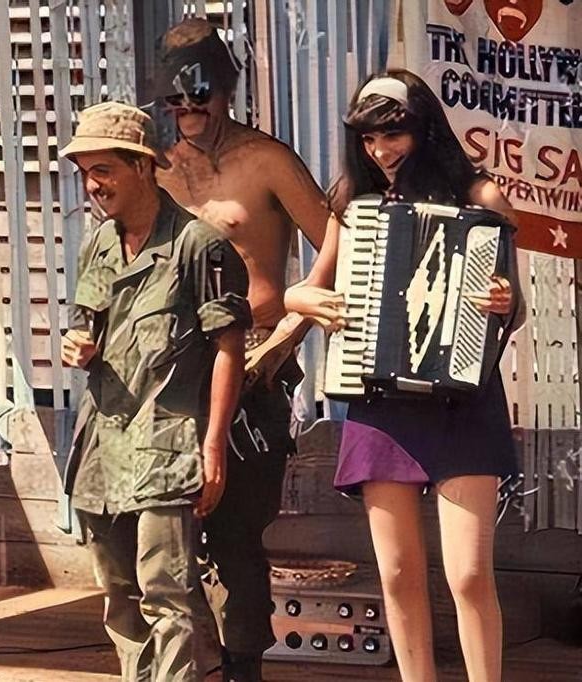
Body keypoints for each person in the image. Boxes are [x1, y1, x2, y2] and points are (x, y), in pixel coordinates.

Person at [285, 69, 522, 682]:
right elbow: (307, 290)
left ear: (426, 129)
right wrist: (304, 301)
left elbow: (514, 308)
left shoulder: (482, 196)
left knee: (468, 574)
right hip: (381, 405)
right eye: (368, 139)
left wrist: (501, 302)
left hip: (462, 404)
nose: (380, 151)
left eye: (393, 135)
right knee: (396, 573)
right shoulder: (352, 202)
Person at [146, 20, 338, 681]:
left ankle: (242, 668)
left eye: (200, 96)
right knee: (164, 533)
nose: (189, 110)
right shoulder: (158, 170)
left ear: (226, 91)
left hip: (254, 363)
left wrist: (288, 333)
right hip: (175, 372)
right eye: (175, 100)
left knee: (235, 534)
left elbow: (339, 242)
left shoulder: (266, 160)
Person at [58, 100, 252, 682]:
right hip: (103, 446)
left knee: (167, 592)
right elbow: (86, 324)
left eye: (104, 170)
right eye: (85, 173)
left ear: (142, 165)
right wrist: (78, 345)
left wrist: (213, 445)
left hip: (167, 443)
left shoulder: (199, 246)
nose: (93, 186)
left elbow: (229, 349)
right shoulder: (99, 243)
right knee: (119, 597)